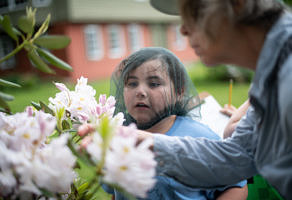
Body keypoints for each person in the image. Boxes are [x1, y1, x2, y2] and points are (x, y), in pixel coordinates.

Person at [136, 0, 291, 199]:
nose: (183, 29)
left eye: (195, 11)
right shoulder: (271, 74)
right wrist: (144, 141)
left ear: (238, 4)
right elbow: (236, 156)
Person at [103, 47, 248, 199]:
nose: (140, 91)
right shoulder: (117, 139)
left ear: (179, 92)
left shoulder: (199, 137)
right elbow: (115, 191)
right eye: (132, 84)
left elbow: (236, 185)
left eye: (154, 84)